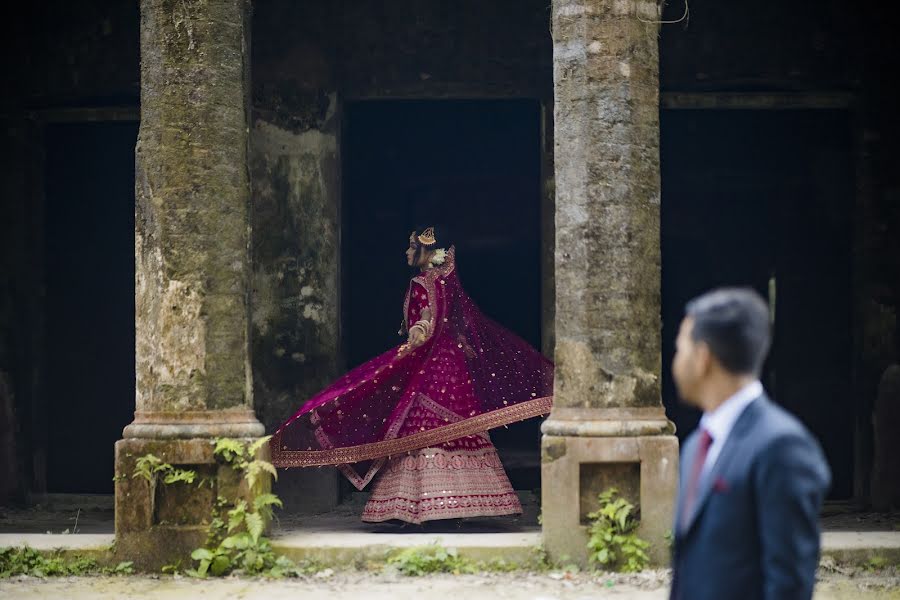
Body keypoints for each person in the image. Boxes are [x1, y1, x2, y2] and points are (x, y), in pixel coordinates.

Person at [271, 227, 553, 524]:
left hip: (429, 368)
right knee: (458, 425)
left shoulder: (420, 283)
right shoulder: (445, 284)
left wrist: (416, 337)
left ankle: (416, 505)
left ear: (427, 250)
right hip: (453, 364)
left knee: (418, 426)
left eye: (410, 247)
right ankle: (468, 503)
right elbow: (448, 323)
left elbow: (424, 322)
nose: (407, 253)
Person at [670, 288, 831, 600]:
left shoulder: (781, 446)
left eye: (680, 349)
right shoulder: (695, 446)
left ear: (703, 358)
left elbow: (789, 583)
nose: (675, 362)